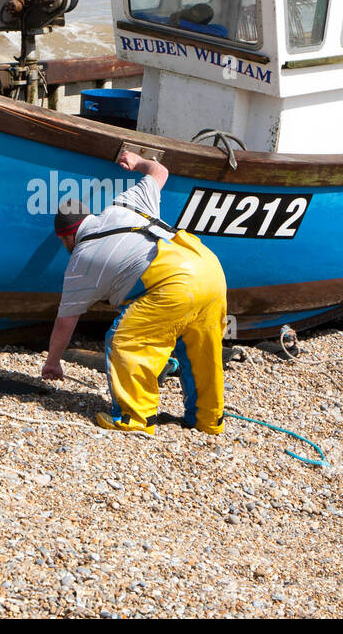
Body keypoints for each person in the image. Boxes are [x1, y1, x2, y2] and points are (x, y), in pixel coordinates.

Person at [40, 150, 228, 436]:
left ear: (66, 238)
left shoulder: (79, 262)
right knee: (201, 348)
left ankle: (135, 418)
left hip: (173, 281)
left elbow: (65, 322)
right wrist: (136, 160)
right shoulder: (124, 204)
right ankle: (208, 420)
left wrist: (52, 362)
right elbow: (160, 172)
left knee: (125, 341)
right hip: (208, 265)